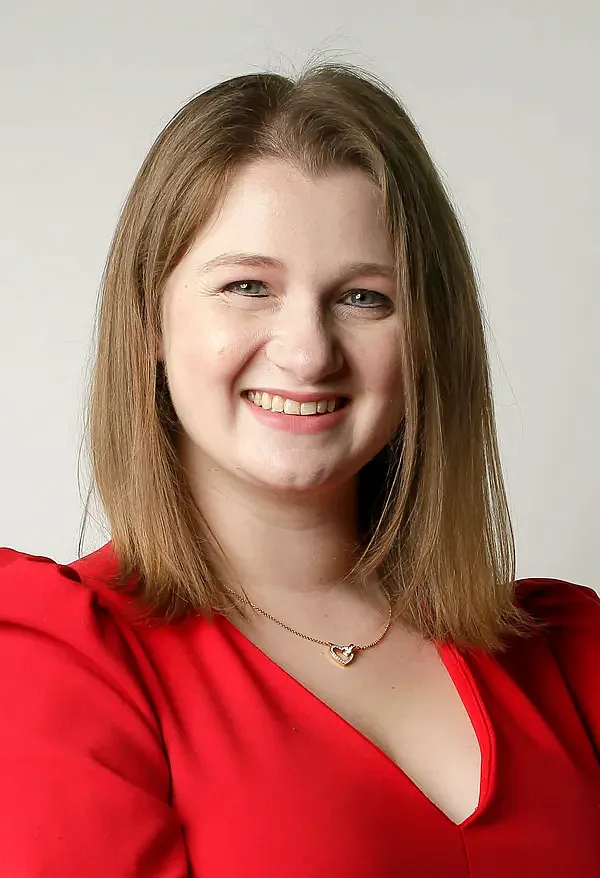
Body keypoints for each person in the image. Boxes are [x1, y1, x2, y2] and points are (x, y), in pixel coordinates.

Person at [1, 61, 599, 878]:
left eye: (364, 298)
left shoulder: (569, 662)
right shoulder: (61, 666)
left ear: (427, 336)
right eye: (249, 286)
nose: (309, 351)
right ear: (149, 321)